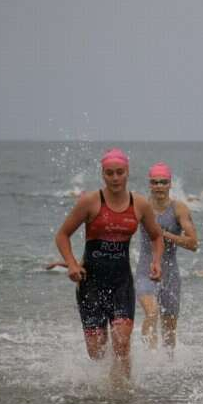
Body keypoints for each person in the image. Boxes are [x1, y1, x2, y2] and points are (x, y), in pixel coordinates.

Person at [54, 148, 164, 383]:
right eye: (109, 173)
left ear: (127, 173)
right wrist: (72, 265)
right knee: (97, 351)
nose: (115, 178)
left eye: (119, 172)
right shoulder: (90, 202)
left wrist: (156, 262)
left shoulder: (140, 204)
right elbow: (62, 235)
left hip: (121, 283)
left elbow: (156, 236)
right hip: (90, 284)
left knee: (122, 343)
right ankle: (101, 397)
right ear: (103, 174)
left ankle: (122, 393)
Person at [137, 162, 198, 352]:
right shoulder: (141, 206)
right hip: (145, 269)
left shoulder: (178, 209)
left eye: (163, 182)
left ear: (170, 184)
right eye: (155, 182)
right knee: (151, 312)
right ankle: (148, 358)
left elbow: (193, 243)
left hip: (170, 273)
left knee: (169, 332)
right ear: (150, 184)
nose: (159, 186)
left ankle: (166, 368)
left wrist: (166, 234)